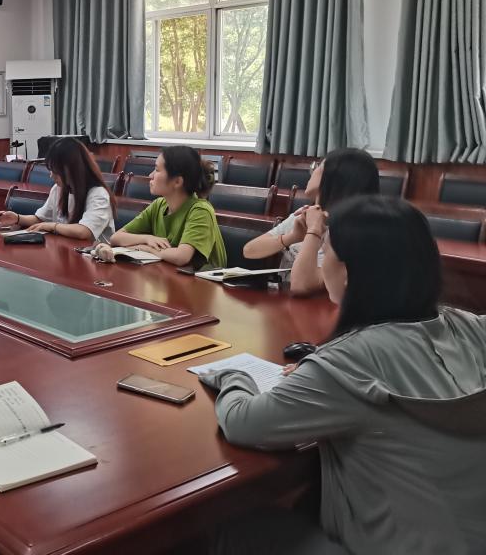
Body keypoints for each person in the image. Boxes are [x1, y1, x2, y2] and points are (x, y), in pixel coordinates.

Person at [202, 196, 486, 554]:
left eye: (326, 253)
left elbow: (243, 422)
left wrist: (234, 377)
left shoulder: (347, 364)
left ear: (348, 272)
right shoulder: (472, 328)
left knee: (225, 527)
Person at [242, 148, 379, 295]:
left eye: (317, 166)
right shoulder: (304, 214)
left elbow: (301, 285)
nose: (311, 172)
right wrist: (292, 237)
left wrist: (313, 230)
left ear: (334, 178)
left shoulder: (352, 232)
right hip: (286, 303)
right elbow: (249, 250)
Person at [94, 146, 226, 269]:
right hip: (169, 275)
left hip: (204, 282)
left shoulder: (201, 210)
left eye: (157, 170)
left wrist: (147, 249)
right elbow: (116, 238)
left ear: (177, 182)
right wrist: (146, 239)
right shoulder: (159, 205)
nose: (150, 175)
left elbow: (181, 257)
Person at [0, 137, 114, 240]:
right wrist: (17, 218)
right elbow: (40, 219)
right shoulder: (58, 189)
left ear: (72, 170)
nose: (51, 176)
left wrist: (52, 226)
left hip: (94, 256)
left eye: (55, 171)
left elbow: (84, 231)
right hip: (66, 250)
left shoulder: (98, 194)